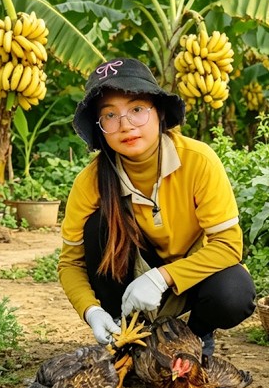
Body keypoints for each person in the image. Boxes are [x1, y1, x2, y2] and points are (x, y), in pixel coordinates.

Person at [58, 57, 256, 358]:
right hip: (128, 284)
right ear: (100, 128)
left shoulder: (197, 161)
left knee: (234, 291)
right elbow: (70, 263)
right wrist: (91, 311)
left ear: (159, 112)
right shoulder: (91, 182)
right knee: (97, 225)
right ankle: (125, 329)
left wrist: (160, 277)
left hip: (191, 281)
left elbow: (229, 246)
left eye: (137, 110)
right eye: (110, 116)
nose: (125, 125)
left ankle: (197, 333)